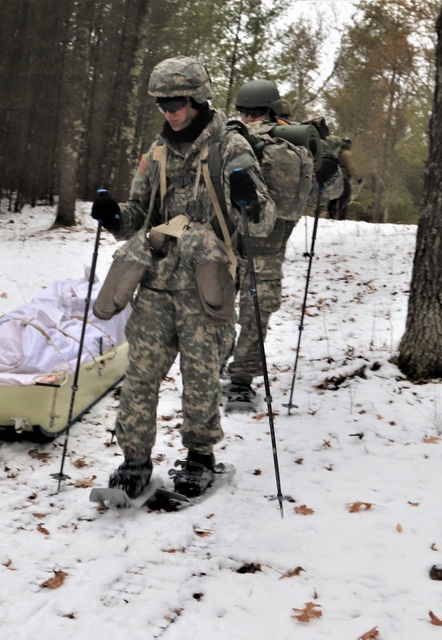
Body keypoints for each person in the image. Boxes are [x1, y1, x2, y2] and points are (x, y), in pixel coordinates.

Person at [90, 56, 276, 498]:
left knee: (201, 376)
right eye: (162, 104)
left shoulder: (231, 147)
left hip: (205, 284)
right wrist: (115, 216)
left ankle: (199, 457)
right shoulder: (155, 152)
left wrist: (250, 201)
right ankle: (134, 460)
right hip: (154, 281)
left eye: (177, 102)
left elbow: (264, 220)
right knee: (140, 375)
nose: (170, 112)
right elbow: (139, 217)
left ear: (196, 99)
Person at [222, 79, 340, 411]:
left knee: (234, 309)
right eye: (248, 113)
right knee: (252, 312)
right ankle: (238, 381)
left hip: (234, 243)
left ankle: (234, 376)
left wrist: (326, 166)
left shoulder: (244, 139)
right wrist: (327, 164)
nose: (251, 119)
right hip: (257, 247)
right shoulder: (294, 145)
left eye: (253, 113)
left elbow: (324, 191)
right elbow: (327, 193)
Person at [327, 136, 359, 220]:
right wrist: (357, 178)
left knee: (334, 196)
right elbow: (350, 167)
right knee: (345, 196)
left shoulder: (335, 152)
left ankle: (331, 216)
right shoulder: (346, 153)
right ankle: (341, 218)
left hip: (333, 176)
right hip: (343, 177)